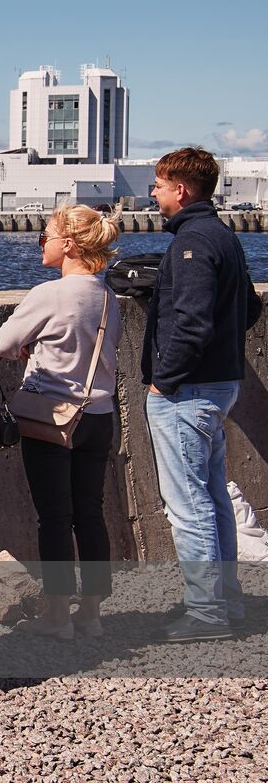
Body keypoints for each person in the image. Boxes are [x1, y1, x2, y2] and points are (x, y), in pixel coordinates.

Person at [0, 204, 122, 640]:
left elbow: (4, 342)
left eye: (45, 235)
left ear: (68, 244)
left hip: (54, 417)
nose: (41, 243)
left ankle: (57, 615)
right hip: (99, 415)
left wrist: (26, 350)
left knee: (54, 516)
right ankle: (92, 613)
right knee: (90, 513)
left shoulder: (50, 294)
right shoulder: (106, 295)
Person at [143, 147, 255, 642]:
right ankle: (224, 603)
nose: (153, 192)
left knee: (189, 504)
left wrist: (164, 377)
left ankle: (207, 613)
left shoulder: (192, 242)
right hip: (219, 384)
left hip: (187, 391)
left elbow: (191, 322)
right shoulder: (223, 236)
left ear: (181, 190)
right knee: (212, 497)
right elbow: (249, 306)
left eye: (159, 185)